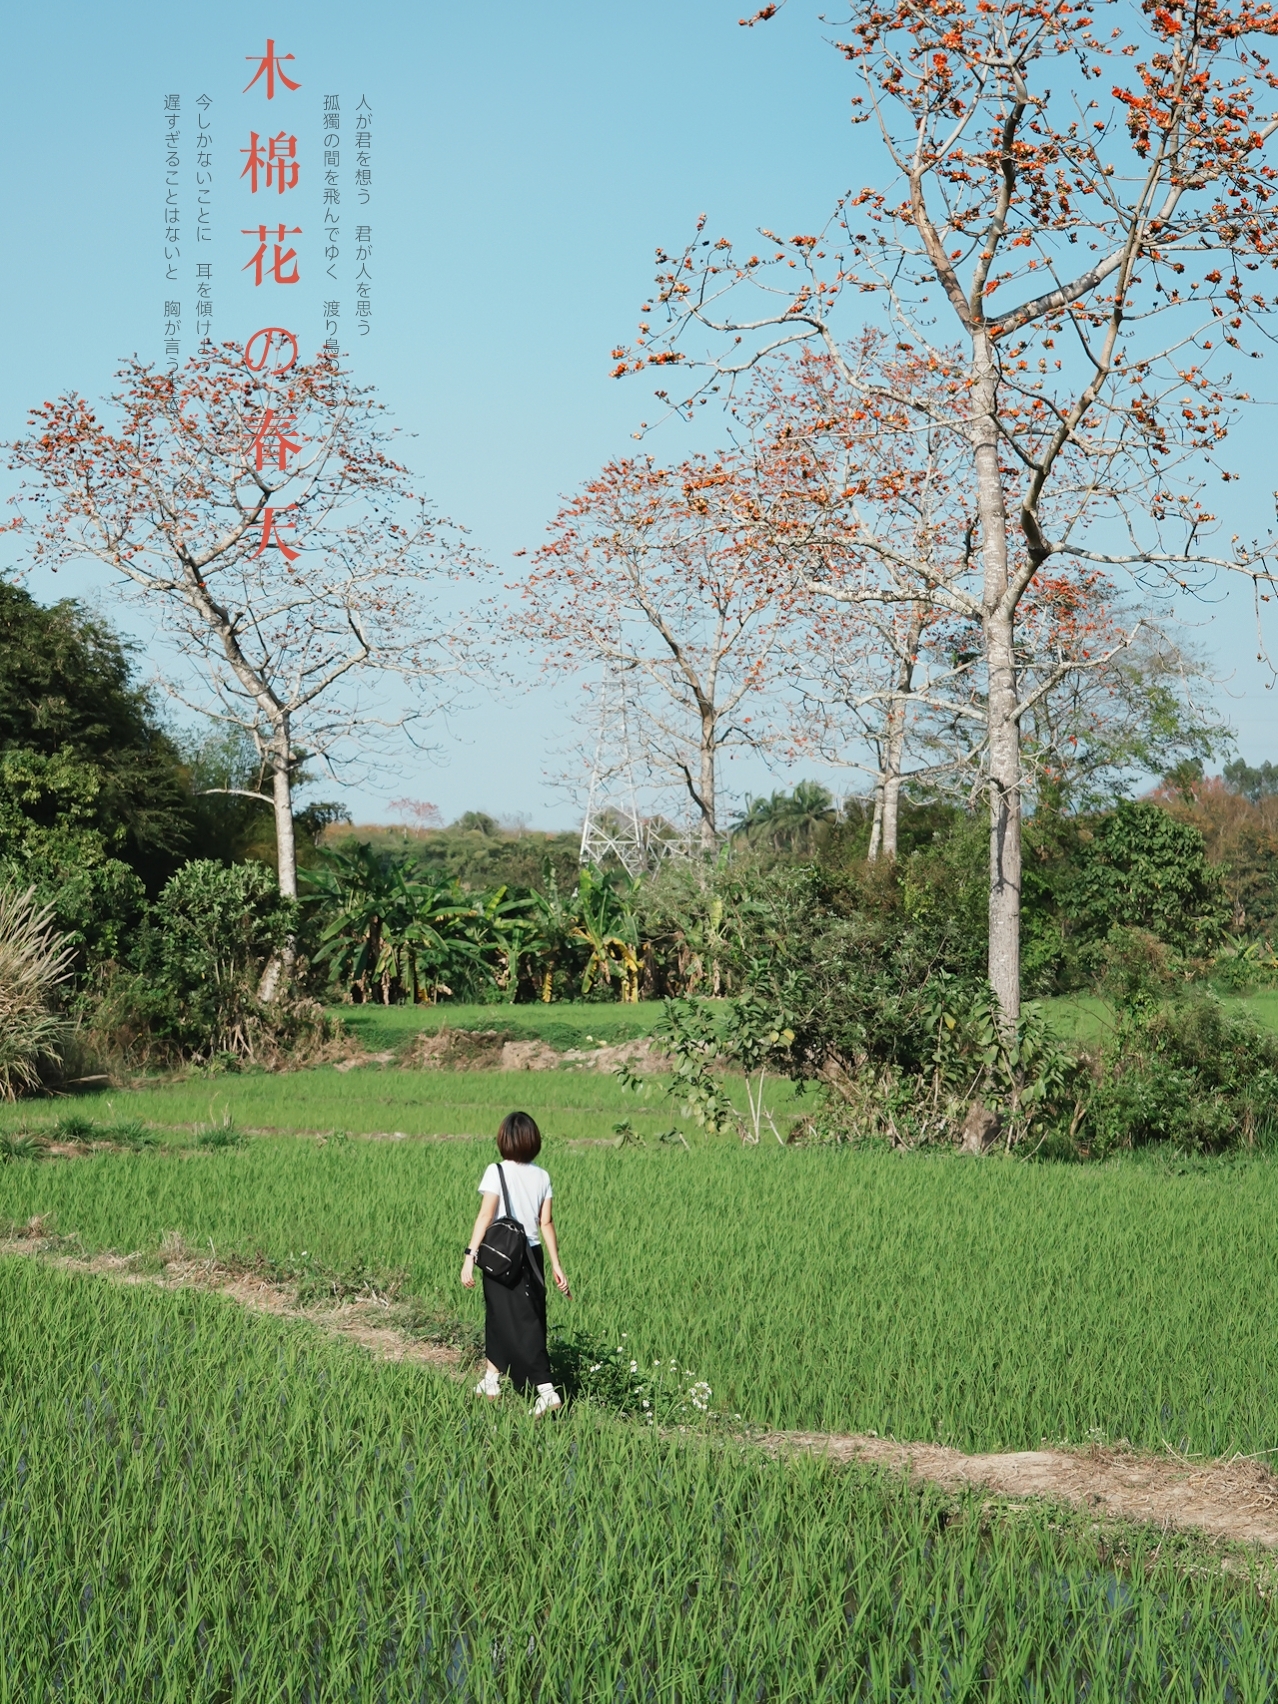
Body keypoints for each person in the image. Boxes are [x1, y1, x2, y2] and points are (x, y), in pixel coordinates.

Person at [461, 1110, 571, 1416]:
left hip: (502, 1255)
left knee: (517, 1322)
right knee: (517, 1317)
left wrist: (469, 1257)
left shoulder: (496, 1171)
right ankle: (491, 1381)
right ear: (532, 1141)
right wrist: (556, 1265)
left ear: (504, 1140)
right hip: (531, 1255)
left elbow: (485, 1215)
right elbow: (545, 1223)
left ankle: (546, 1389)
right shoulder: (543, 1175)